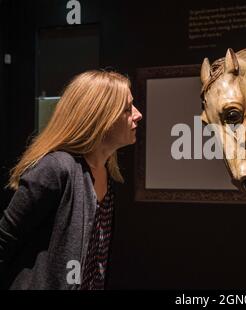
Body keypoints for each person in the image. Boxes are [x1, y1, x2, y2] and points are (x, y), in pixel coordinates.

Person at [0, 70, 142, 289]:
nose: (138, 114)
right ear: (100, 117)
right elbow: (5, 238)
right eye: (126, 109)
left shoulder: (106, 175)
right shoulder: (57, 168)